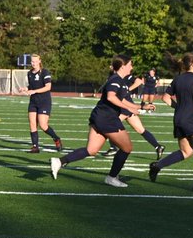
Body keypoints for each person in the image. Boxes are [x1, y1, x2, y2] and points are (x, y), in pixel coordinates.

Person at [50, 55, 140, 187]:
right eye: (130, 64)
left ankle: (59, 161)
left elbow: (123, 99)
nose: (132, 67)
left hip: (99, 116)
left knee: (91, 150)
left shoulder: (120, 80)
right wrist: (127, 108)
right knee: (127, 148)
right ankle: (112, 177)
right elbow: (111, 97)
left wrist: (140, 107)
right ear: (123, 66)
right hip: (107, 118)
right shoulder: (115, 79)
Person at [149, 53, 193, 192]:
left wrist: (179, 107)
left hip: (179, 119)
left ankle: (157, 166)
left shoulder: (178, 79)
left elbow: (165, 98)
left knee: (187, 151)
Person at [20, 54, 62, 153]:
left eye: (35, 61)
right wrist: (25, 89)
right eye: (32, 61)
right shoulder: (29, 73)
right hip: (33, 101)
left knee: (43, 125)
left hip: (44, 101)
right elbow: (31, 86)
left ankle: (56, 138)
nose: (33, 63)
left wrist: (34, 91)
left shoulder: (44, 72)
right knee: (32, 123)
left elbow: (48, 87)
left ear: (39, 61)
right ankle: (35, 146)